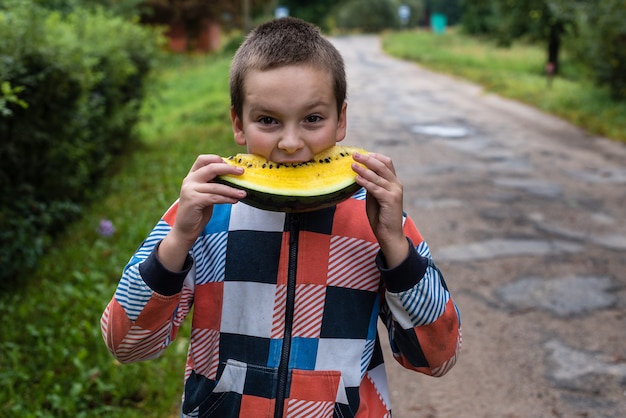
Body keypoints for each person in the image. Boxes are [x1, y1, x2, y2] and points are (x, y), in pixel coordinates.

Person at [101, 17, 461, 418]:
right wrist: (177, 242)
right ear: (238, 123)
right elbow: (126, 343)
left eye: (312, 119)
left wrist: (395, 246)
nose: (291, 144)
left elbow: (439, 357)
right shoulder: (204, 214)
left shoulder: (377, 219)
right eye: (268, 120)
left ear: (341, 120)